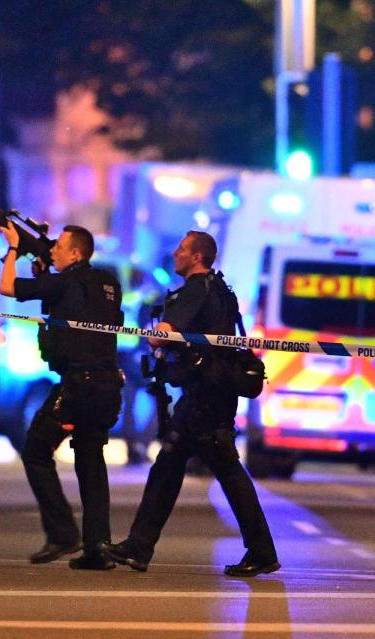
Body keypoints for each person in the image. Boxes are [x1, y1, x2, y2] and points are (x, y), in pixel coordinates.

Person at [101, 231, 279, 577]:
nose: (175, 253)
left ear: (197, 257)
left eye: (182, 249)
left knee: (218, 470)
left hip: (205, 396)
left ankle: (260, 551)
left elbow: (164, 331)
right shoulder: (220, 289)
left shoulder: (197, 289)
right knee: (171, 465)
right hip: (212, 392)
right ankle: (139, 547)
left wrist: (154, 333)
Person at [0, 223, 125, 570]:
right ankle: (98, 548)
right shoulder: (109, 282)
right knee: (90, 462)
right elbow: (75, 303)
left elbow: (7, 286)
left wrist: (12, 248)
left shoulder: (67, 281)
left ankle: (63, 534)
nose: (52, 249)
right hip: (107, 388)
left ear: (76, 254)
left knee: (36, 452)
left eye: (59, 246)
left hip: (78, 387)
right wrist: (44, 272)